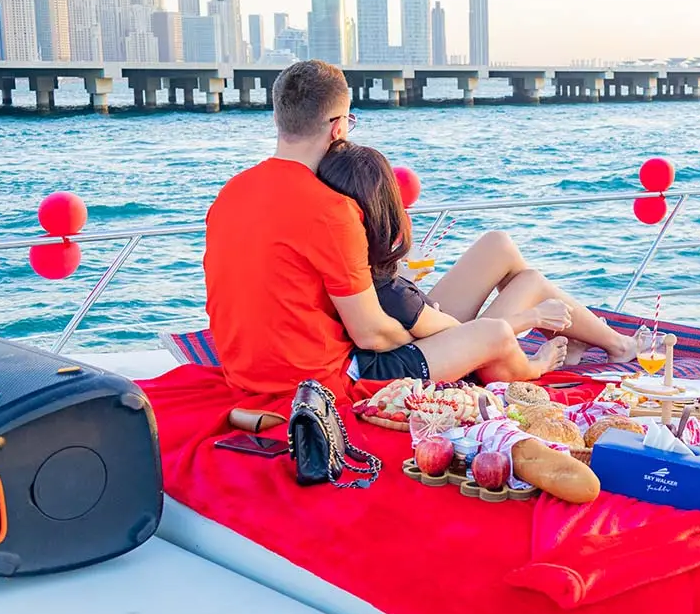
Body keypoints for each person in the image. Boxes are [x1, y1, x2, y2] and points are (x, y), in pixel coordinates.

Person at [202, 60, 566, 399]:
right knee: (492, 331)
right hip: (325, 382)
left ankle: (589, 338)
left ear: (279, 119)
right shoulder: (329, 209)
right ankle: (539, 363)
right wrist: (432, 336)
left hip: (245, 374)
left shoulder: (230, 193)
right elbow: (371, 334)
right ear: (338, 128)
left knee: (492, 270)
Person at [316, 140, 640, 378]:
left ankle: (576, 337)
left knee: (497, 245)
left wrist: (405, 279)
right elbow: (470, 335)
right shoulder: (393, 295)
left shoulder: (335, 248)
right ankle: (617, 345)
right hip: (444, 352)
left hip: (421, 327)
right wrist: (534, 317)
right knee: (531, 283)